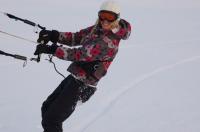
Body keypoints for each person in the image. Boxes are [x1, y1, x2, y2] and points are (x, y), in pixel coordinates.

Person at [34, 1, 131, 132]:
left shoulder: (109, 42)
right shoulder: (97, 29)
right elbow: (76, 37)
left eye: (110, 17)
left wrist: (52, 49)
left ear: (117, 19)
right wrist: (53, 35)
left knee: (52, 120)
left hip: (84, 85)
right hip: (76, 76)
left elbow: (79, 54)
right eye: (102, 15)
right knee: (47, 107)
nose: (105, 21)